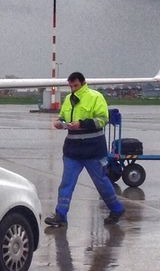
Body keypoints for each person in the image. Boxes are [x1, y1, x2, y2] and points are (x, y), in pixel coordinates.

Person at [44, 71, 125, 227]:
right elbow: (63, 116)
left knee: (101, 181)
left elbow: (102, 120)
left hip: (93, 150)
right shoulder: (68, 99)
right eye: (70, 86)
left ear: (82, 83)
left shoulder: (95, 97)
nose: (73, 89)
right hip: (72, 150)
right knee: (66, 183)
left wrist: (82, 124)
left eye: (75, 85)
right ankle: (60, 215)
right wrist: (59, 122)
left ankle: (116, 209)